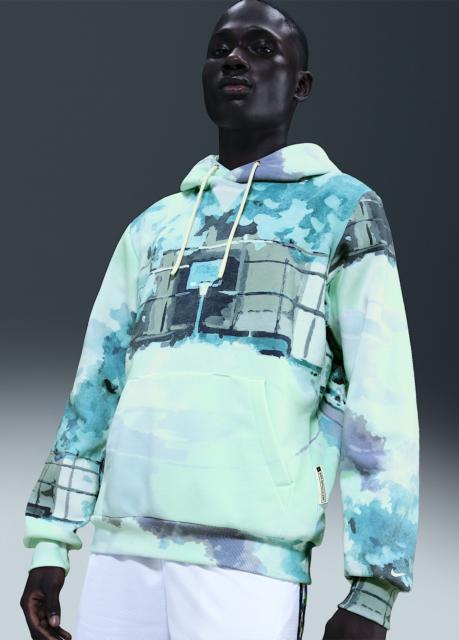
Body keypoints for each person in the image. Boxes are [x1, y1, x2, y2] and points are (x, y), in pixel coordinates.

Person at [20, 1, 420, 639]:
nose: (234, 59)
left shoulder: (344, 211)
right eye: (220, 49)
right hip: (123, 556)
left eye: (260, 48)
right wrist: (52, 543)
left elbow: (382, 403)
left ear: (301, 84)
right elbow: (94, 392)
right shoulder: (153, 227)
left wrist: (374, 589)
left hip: (249, 565)